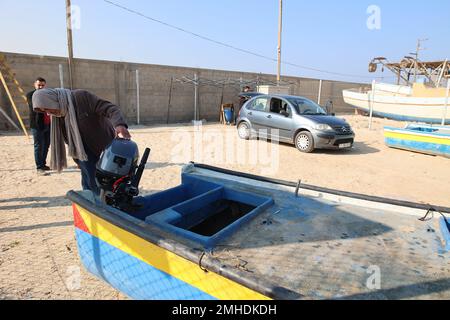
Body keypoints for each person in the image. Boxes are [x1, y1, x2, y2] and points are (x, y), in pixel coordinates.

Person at [32, 88, 131, 195]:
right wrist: (77, 160)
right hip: (81, 153)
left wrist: (119, 125)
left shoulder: (81, 97)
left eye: (47, 109)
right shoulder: (59, 114)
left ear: (52, 101)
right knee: (88, 183)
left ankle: (105, 206)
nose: (48, 114)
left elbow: (111, 109)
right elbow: (68, 138)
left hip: (103, 147)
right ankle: (93, 205)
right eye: (44, 111)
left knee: (105, 184)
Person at [27, 77, 51, 175]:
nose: (40, 87)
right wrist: (48, 108)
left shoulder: (47, 94)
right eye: (39, 85)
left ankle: (43, 164)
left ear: (45, 85)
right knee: (38, 146)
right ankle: (39, 168)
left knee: (46, 145)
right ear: (35, 85)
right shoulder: (30, 95)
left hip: (47, 124)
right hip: (37, 125)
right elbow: (35, 107)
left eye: (42, 85)